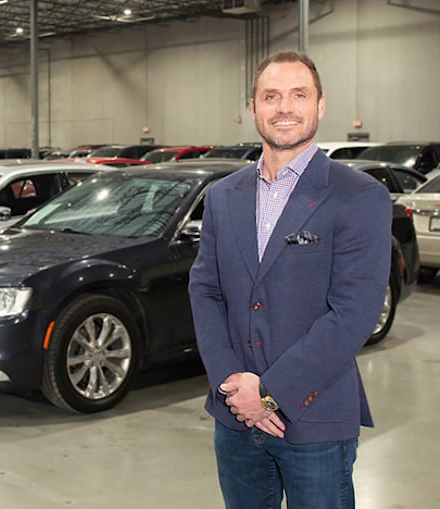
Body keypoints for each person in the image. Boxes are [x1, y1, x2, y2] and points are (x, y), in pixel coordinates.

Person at [188, 50, 392, 509]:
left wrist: (269, 393)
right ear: (253, 108)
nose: (284, 107)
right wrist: (232, 385)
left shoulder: (360, 197)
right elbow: (205, 290)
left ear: (320, 106)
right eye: (271, 96)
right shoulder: (222, 197)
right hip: (236, 415)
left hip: (315, 417)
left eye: (298, 95)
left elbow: (353, 314)